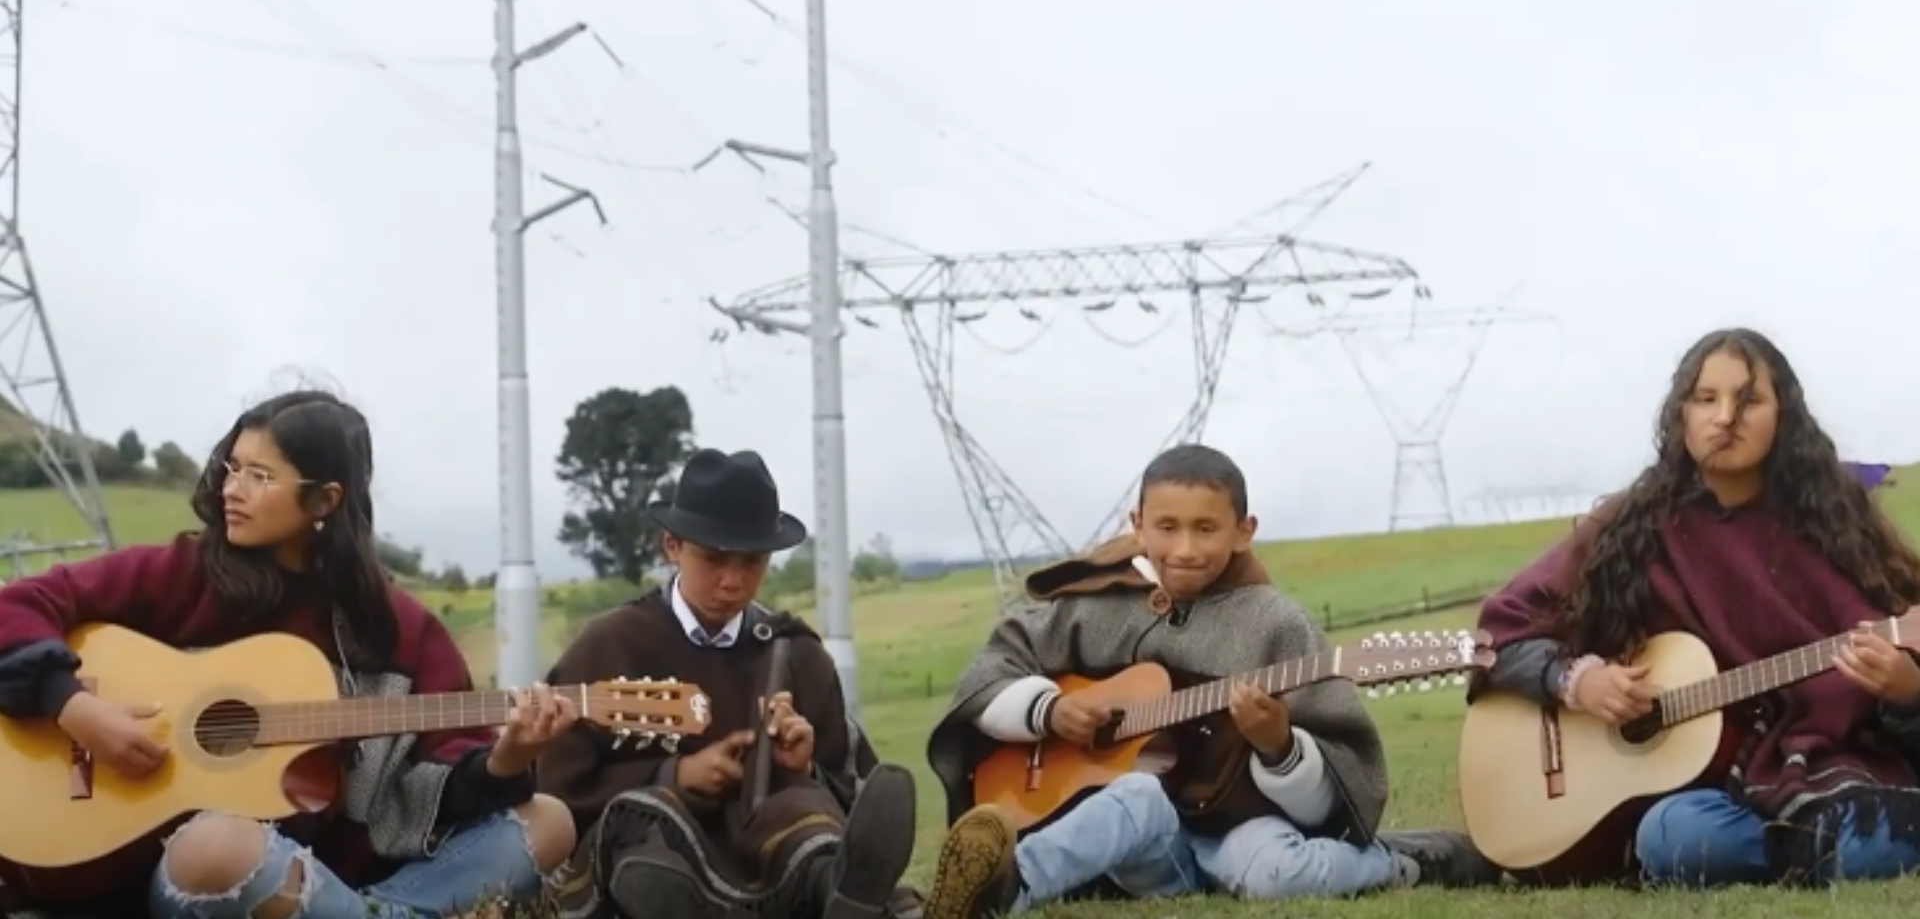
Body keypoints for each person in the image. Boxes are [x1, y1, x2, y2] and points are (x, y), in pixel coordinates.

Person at [0, 391, 578, 919]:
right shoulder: (184, 573)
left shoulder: (400, 629)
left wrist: (504, 761)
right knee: (218, 843)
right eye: (232, 468)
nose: (232, 488)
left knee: (547, 821)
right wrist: (73, 706)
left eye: (259, 476)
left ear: (324, 499)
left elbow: (437, 778)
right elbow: (18, 603)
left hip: (333, 882)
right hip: (188, 875)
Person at [919, 443, 1496, 918]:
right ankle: (1002, 890)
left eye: (1206, 529)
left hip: (1242, 835)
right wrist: (1047, 712)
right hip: (1145, 842)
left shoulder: (1275, 624)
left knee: (1275, 876)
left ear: (1243, 531)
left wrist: (1280, 747)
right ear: (1137, 525)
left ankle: (1397, 861)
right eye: (1167, 528)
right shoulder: (1097, 606)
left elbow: (1340, 783)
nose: (1186, 549)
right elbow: (989, 673)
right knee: (1138, 794)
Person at [1474, 328, 1920, 888]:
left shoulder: (1836, 525)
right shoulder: (1629, 525)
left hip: (1834, 769)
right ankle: (1826, 849)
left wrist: (1907, 693)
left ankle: (1828, 846)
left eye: (1749, 400)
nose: (1725, 417)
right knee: (1671, 834)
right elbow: (1504, 629)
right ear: (1680, 412)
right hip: (1715, 791)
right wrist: (1578, 681)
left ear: (1784, 416)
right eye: (1706, 399)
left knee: (1855, 834)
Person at [536, 448, 919, 919]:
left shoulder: (797, 653)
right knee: (649, 835)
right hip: (658, 853)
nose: (733, 582)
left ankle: (836, 892)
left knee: (805, 812)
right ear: (671, 546)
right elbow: (556, 786)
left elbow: (851, 783)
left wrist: (803, 767)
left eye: (753, 562)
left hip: (771, 849)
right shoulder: (608, 646)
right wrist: (671, 777)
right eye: (714, 559)